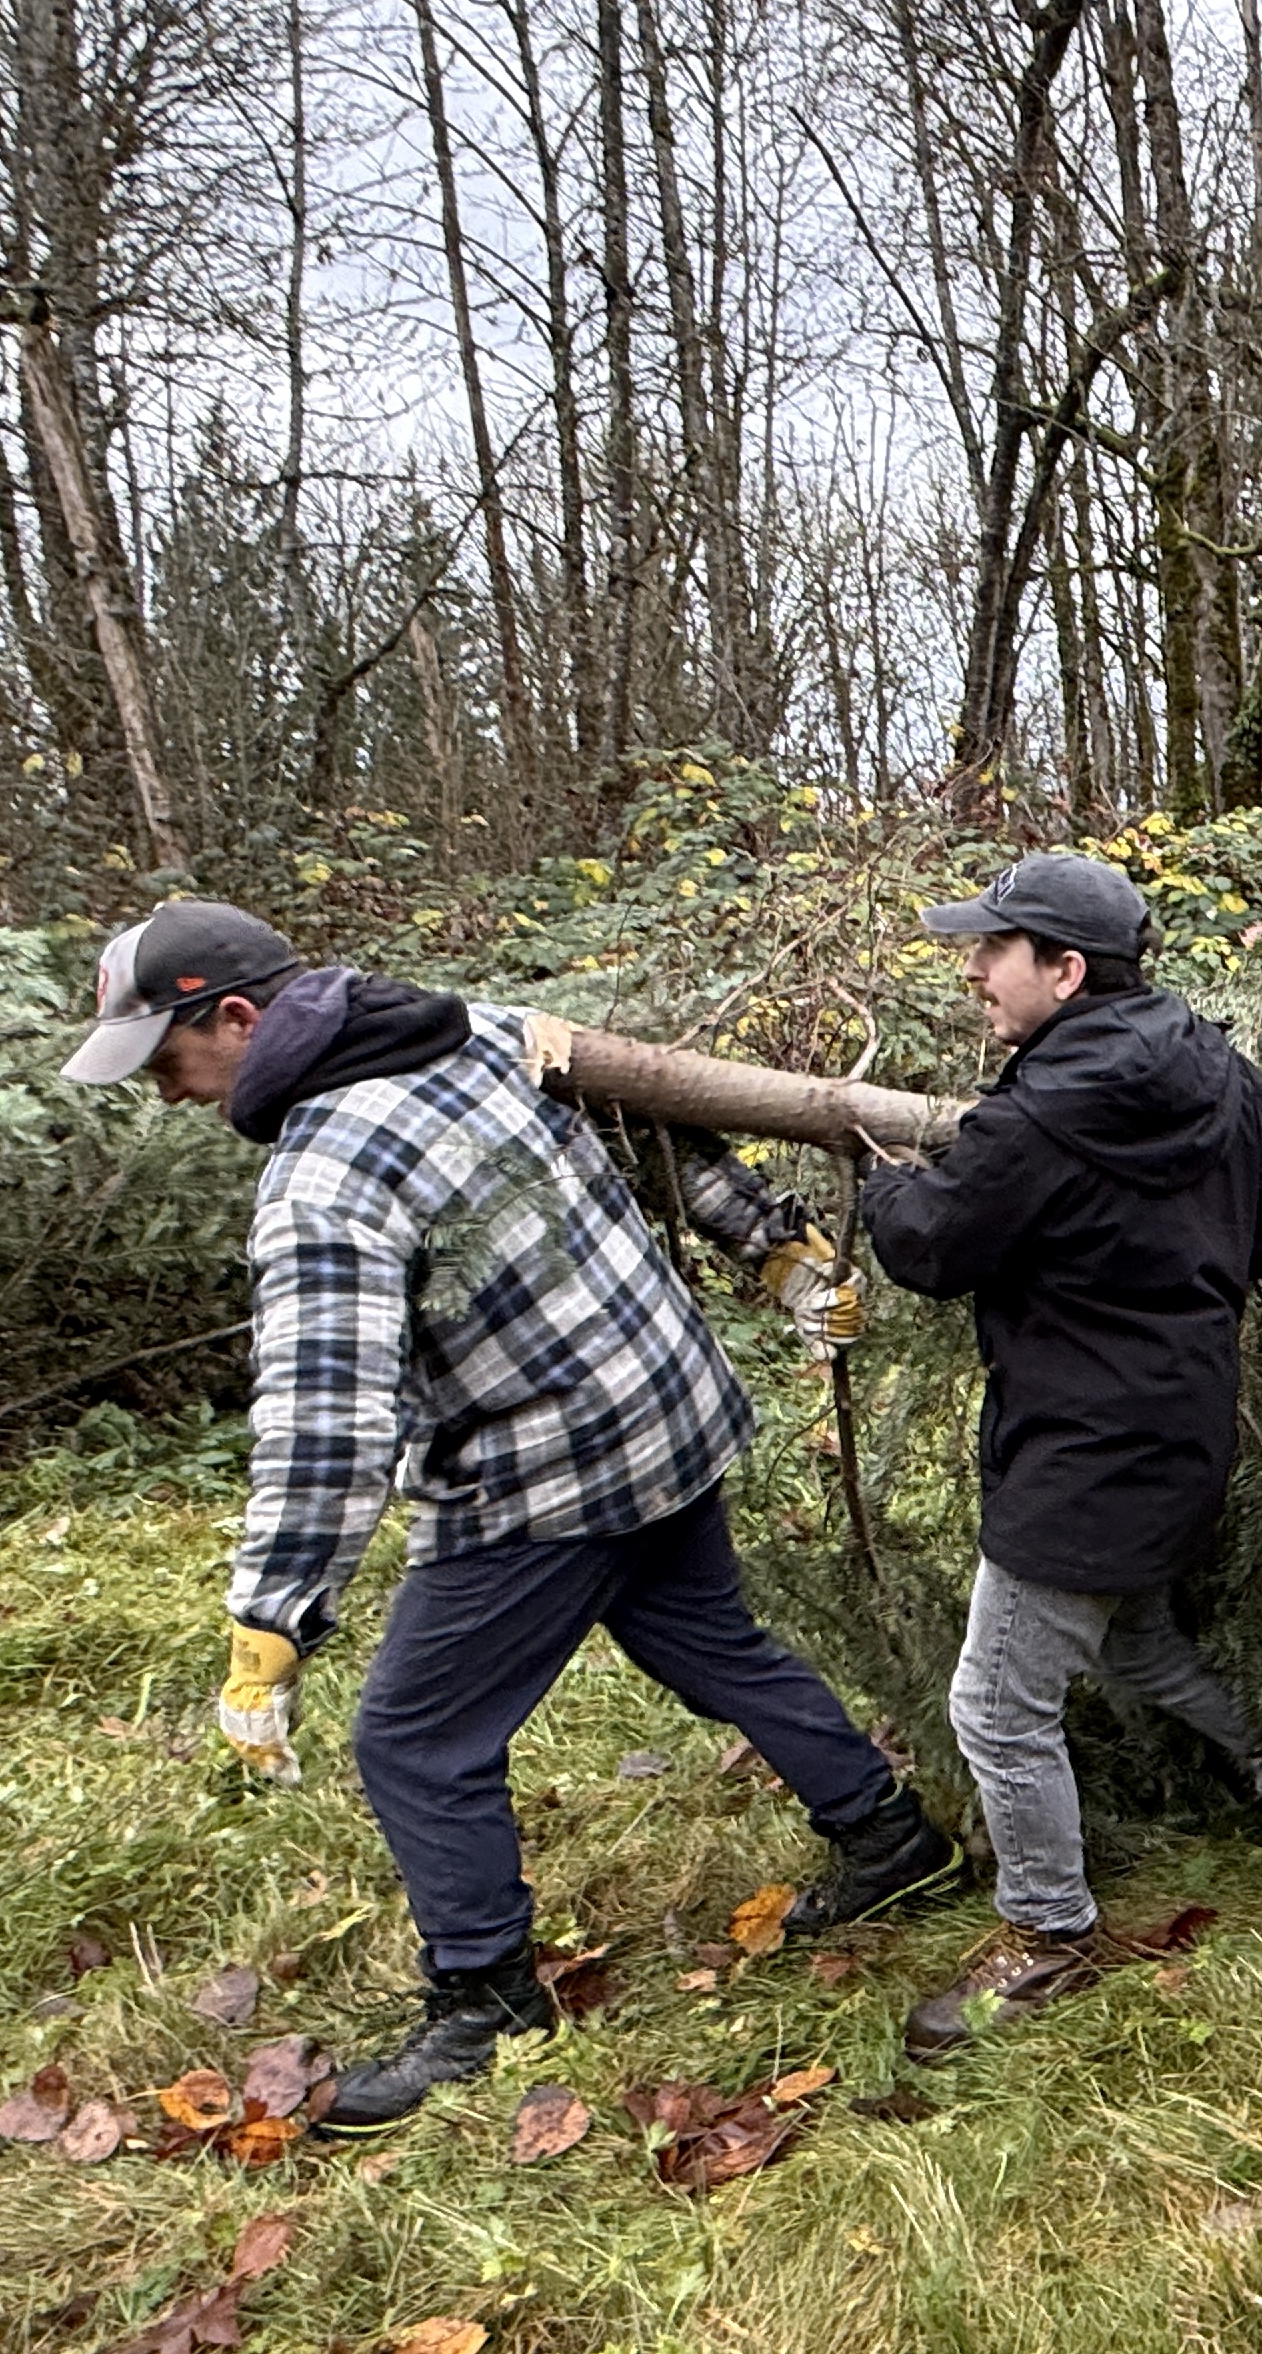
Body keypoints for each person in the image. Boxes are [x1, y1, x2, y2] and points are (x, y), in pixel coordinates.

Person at [60, 901, 957, 2130]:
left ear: (237, 1017)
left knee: (416, 1743)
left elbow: (327, 1424)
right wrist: (775, 1249)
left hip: (545, 1478)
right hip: (668, 1411)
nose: (166, 1093)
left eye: (167, 1062)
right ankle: (890, 1833)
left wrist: (271, 1626)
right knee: (707, 1642)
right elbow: (661, 1140)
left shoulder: (324, 1176)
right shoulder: (470, 1029)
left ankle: (484, 2001)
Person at [857, 852, 1262, 2056]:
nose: (971, 972)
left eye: (992, 953)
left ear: (1065, 970)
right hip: (1181, 1427)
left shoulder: (1036, 1115)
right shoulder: (1228, 1074)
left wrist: (873, 1179)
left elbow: (934, 1248)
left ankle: (1048, 1938)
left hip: (1081, 1452)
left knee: (997, 1704)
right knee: (1144, 1641)